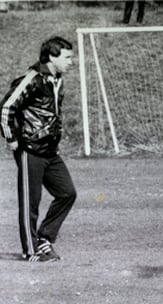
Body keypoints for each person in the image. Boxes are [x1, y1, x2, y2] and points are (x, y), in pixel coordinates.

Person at [0, 36, 77, 262]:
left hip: (50, 151)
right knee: (30, 202)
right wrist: (11, 139)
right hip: (30, 150)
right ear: (52, 57)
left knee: (67, 193)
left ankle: (44, 238)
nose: (71, 62)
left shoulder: (57, 79)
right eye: (67, 57)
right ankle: (31, 250)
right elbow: (5, 109)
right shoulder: (31, 79)